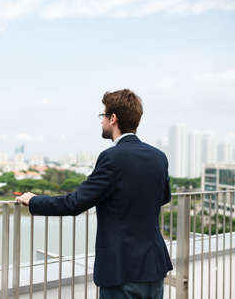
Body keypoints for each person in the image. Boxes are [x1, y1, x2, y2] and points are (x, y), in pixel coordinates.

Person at [16, 89, 173, 299]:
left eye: (103, 116)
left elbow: (75, 203)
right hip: (153, 267)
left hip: (121, 270)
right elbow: (163, 197)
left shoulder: (112, 158)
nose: (101, 122)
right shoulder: (158, 157)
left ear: (113, 119)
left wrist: (34, 201)